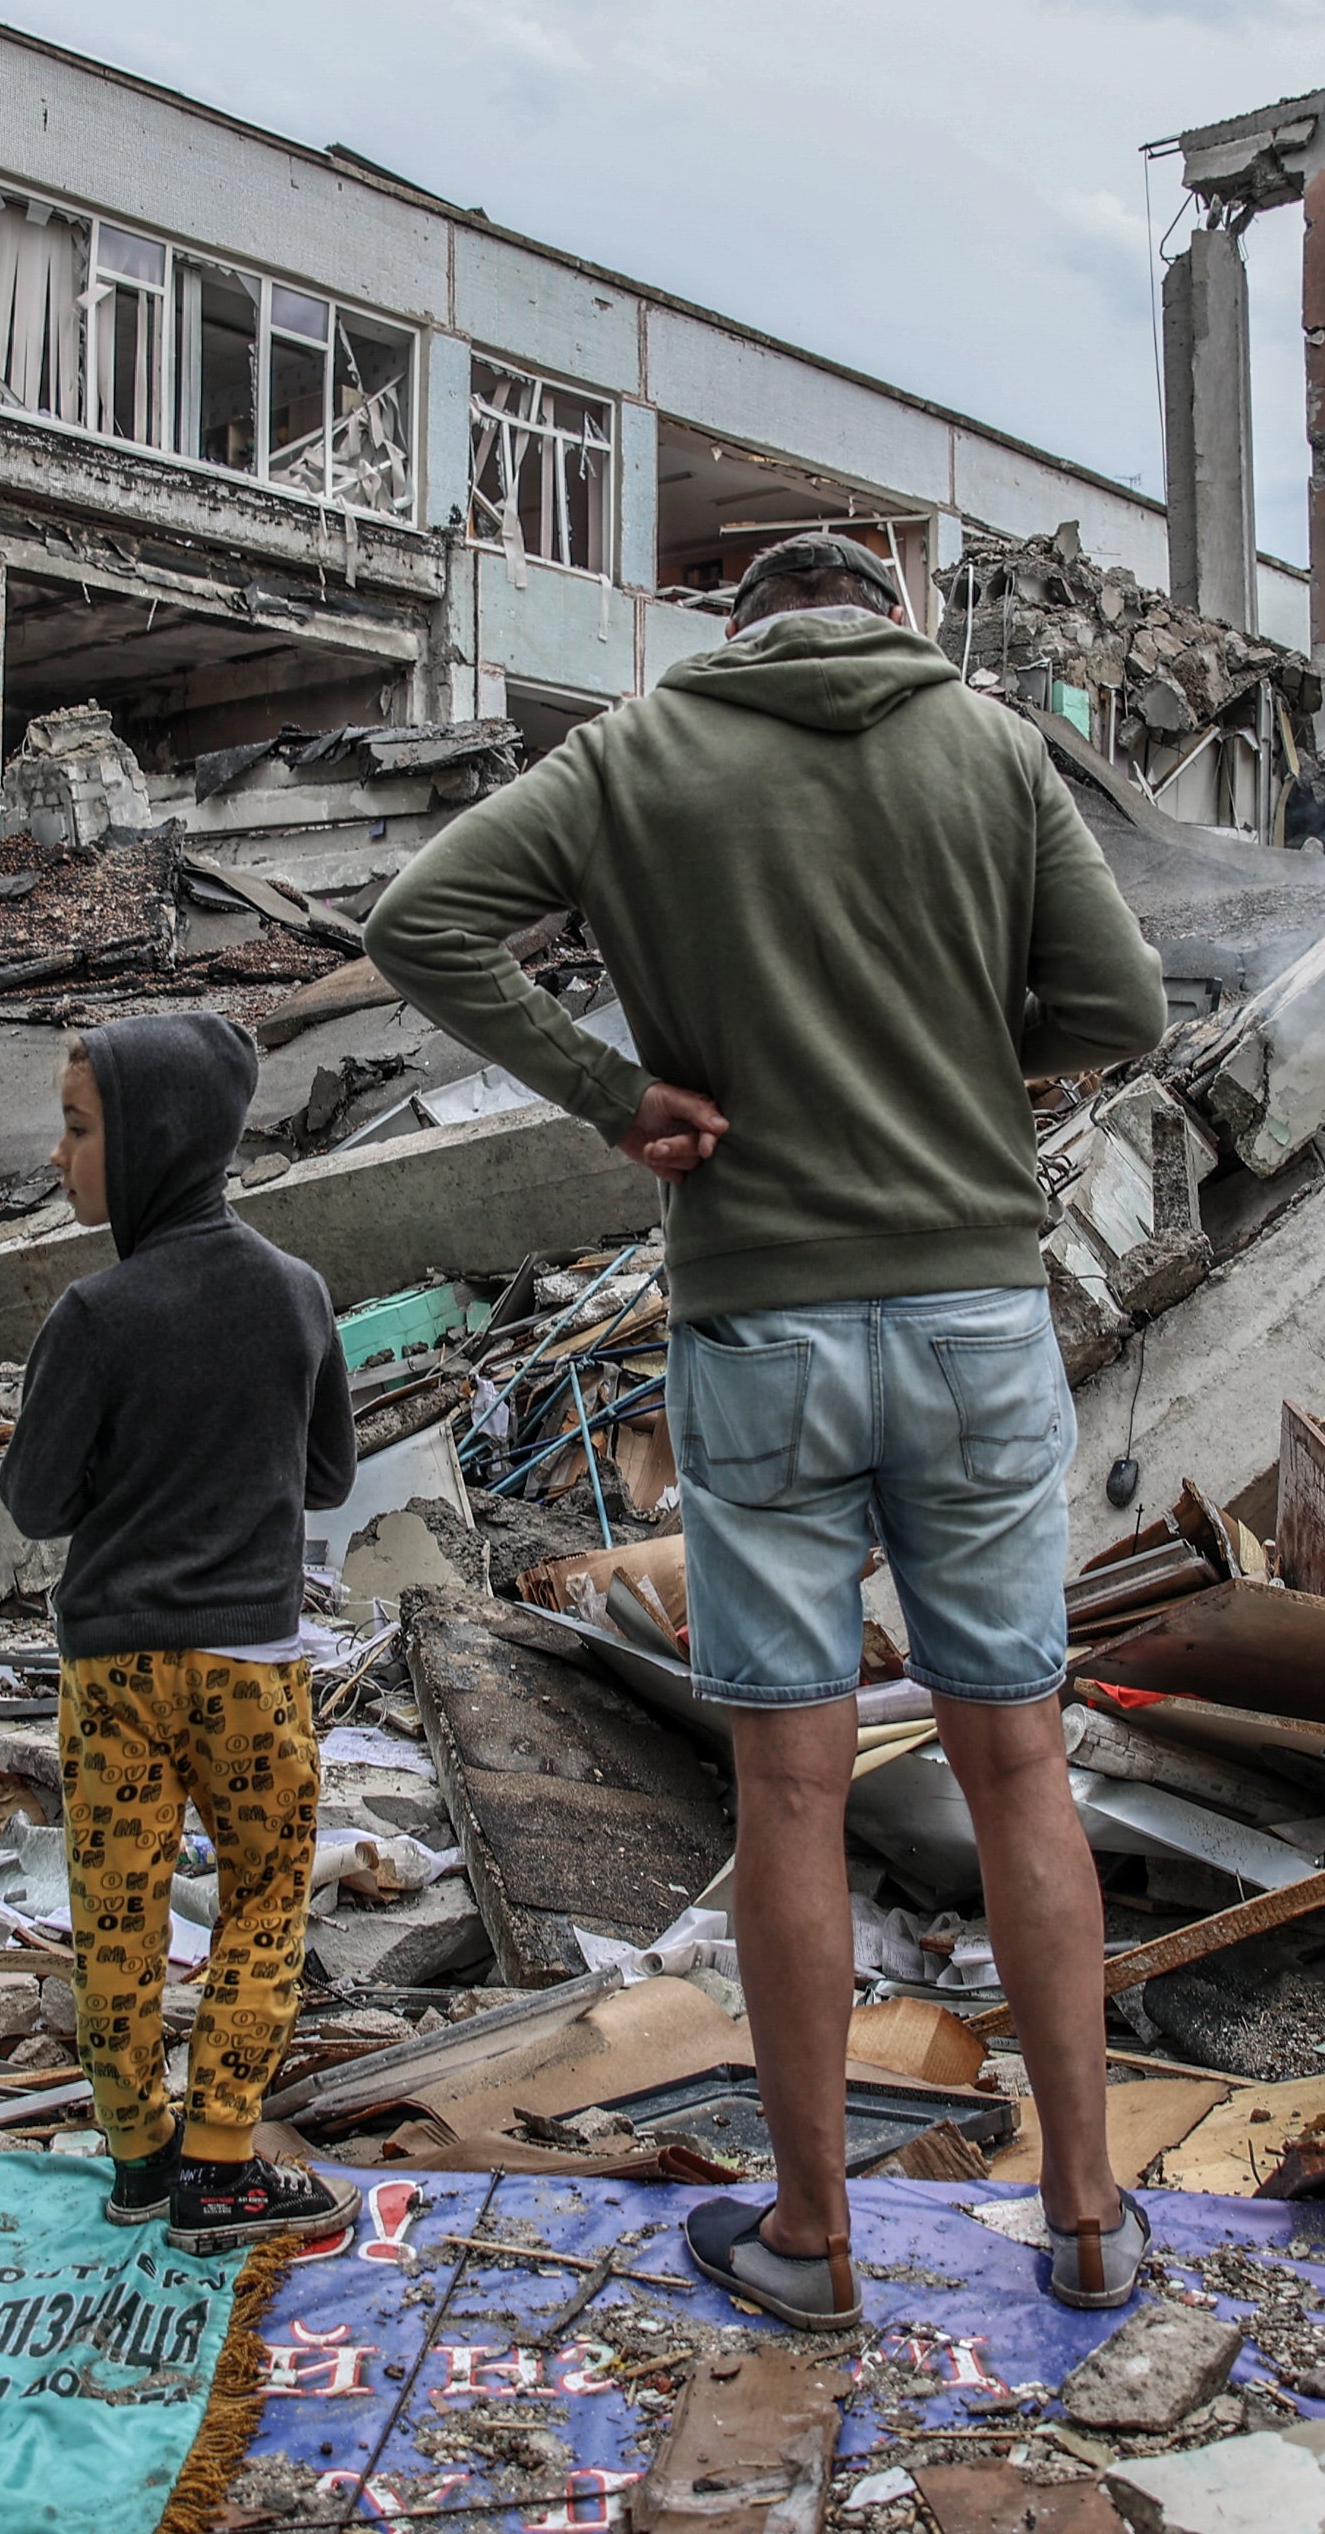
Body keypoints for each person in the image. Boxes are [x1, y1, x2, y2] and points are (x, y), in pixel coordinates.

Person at [365, 532, 1167, 2327]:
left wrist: (612, 1093)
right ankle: (1087, 2213)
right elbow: (1121, 1008)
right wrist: (962, 1065)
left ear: (736, 630)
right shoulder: (989, 746)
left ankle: (812, 2240)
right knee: (1018, 1763)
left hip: (760, 1321)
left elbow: (418, 923)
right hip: (972, 1317)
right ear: (891, 620)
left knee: (789, 1788)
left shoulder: (637, 751)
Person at [0, 1009, 365, 2256]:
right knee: (263, 1894)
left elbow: (34, 1502)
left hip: (113, 1666)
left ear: (152, 1137)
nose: (59, 1155)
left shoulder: (93, 1315)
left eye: (78, 1128)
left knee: (117, 1911)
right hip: (250, 1666)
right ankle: (223, 2162)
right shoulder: (297, 1293)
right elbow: (326, 1476)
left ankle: (141, 2156)